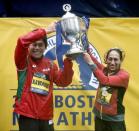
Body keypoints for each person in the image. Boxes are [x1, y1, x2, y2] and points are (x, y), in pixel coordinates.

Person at [14, 22, 74, 131]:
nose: (37, 48)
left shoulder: (51, 64)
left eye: (40, 45)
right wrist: (45, 31)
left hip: (46, 116)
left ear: (45, 47)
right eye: (34, 44)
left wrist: (68, 61)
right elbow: (21, 41)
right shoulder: (22, 61)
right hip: (27, 115)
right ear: (28, 46)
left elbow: (63, 82)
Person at [83, 47, 130, 131]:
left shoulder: (124, 76)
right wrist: (86, 50)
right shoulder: (105, 70)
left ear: (121, 61)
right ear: (106, 59)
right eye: (110, 59)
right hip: (99, 118)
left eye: (116, 59)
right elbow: (96, 63)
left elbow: (105, 81)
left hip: (114, 122)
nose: (112, 62)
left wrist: (90, 62)